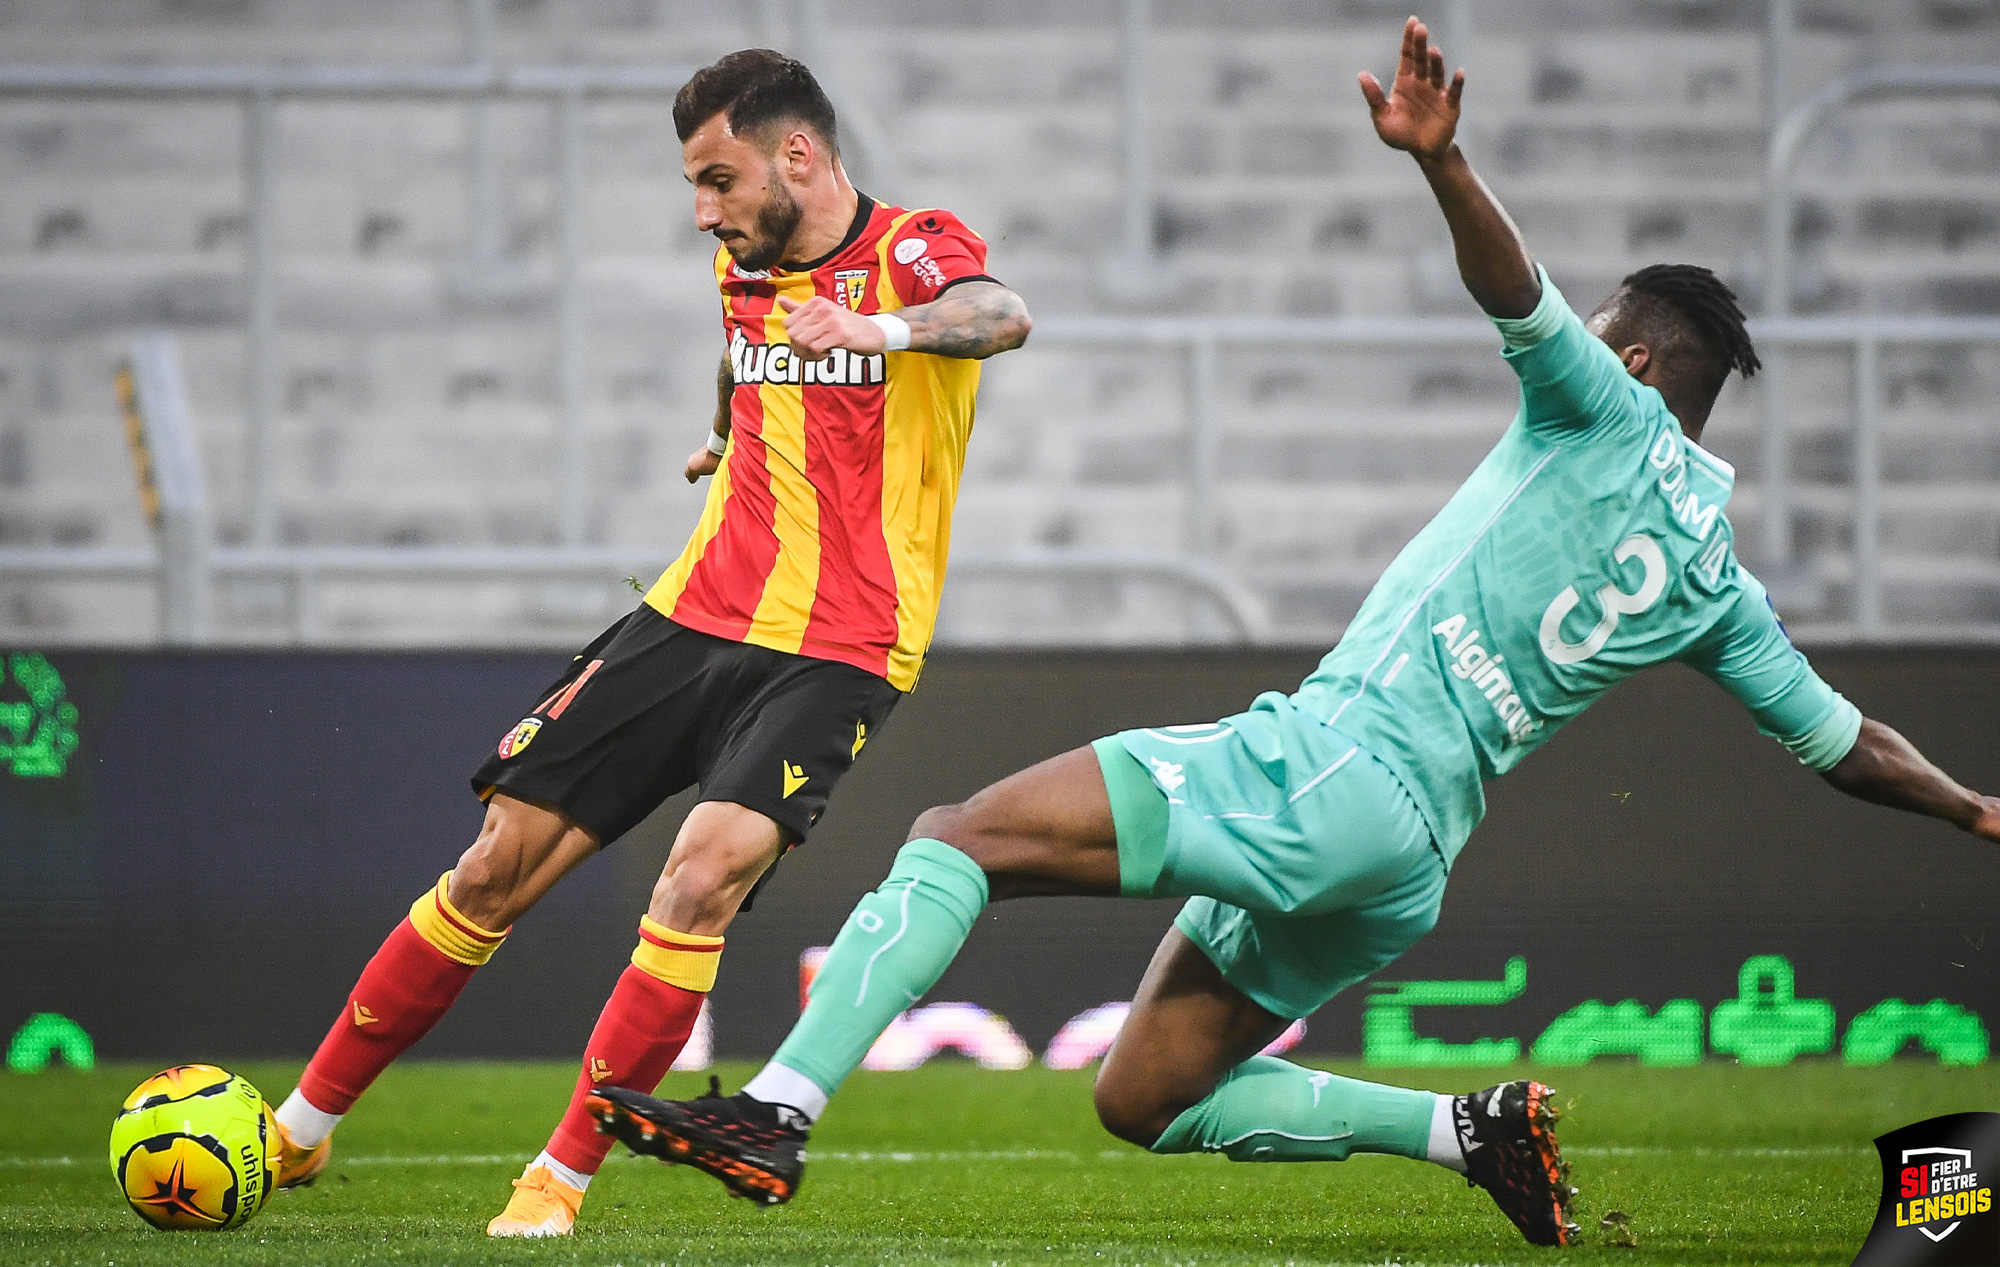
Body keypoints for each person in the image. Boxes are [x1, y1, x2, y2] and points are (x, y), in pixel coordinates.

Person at [587, 18, 2000, 1249]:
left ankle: (778, 1108)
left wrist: (1442, 160)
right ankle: (1466, 1131)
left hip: (1332, 765)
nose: (1577, 335)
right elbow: (1844, 743)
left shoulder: (1599, 408)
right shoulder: (1713, 577)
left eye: (1601, 327)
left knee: (957, 837)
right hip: (1408, 860)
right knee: (1146, 1092)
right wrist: (1975, 808)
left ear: (1632, 358)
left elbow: (1509, 287)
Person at [261, 48, 1032, 1239]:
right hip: (689, 616)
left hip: (840, 643)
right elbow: (741, 348)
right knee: (490, 867)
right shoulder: (747, 268)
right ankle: (298, 1130)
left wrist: (875, 331)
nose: (704, 212)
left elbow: (998, 315)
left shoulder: (911, 248)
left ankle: (555, 1180)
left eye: (719, 180)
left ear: (797, 153)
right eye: (694, 187)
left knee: (700, 876)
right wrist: (724, 429)